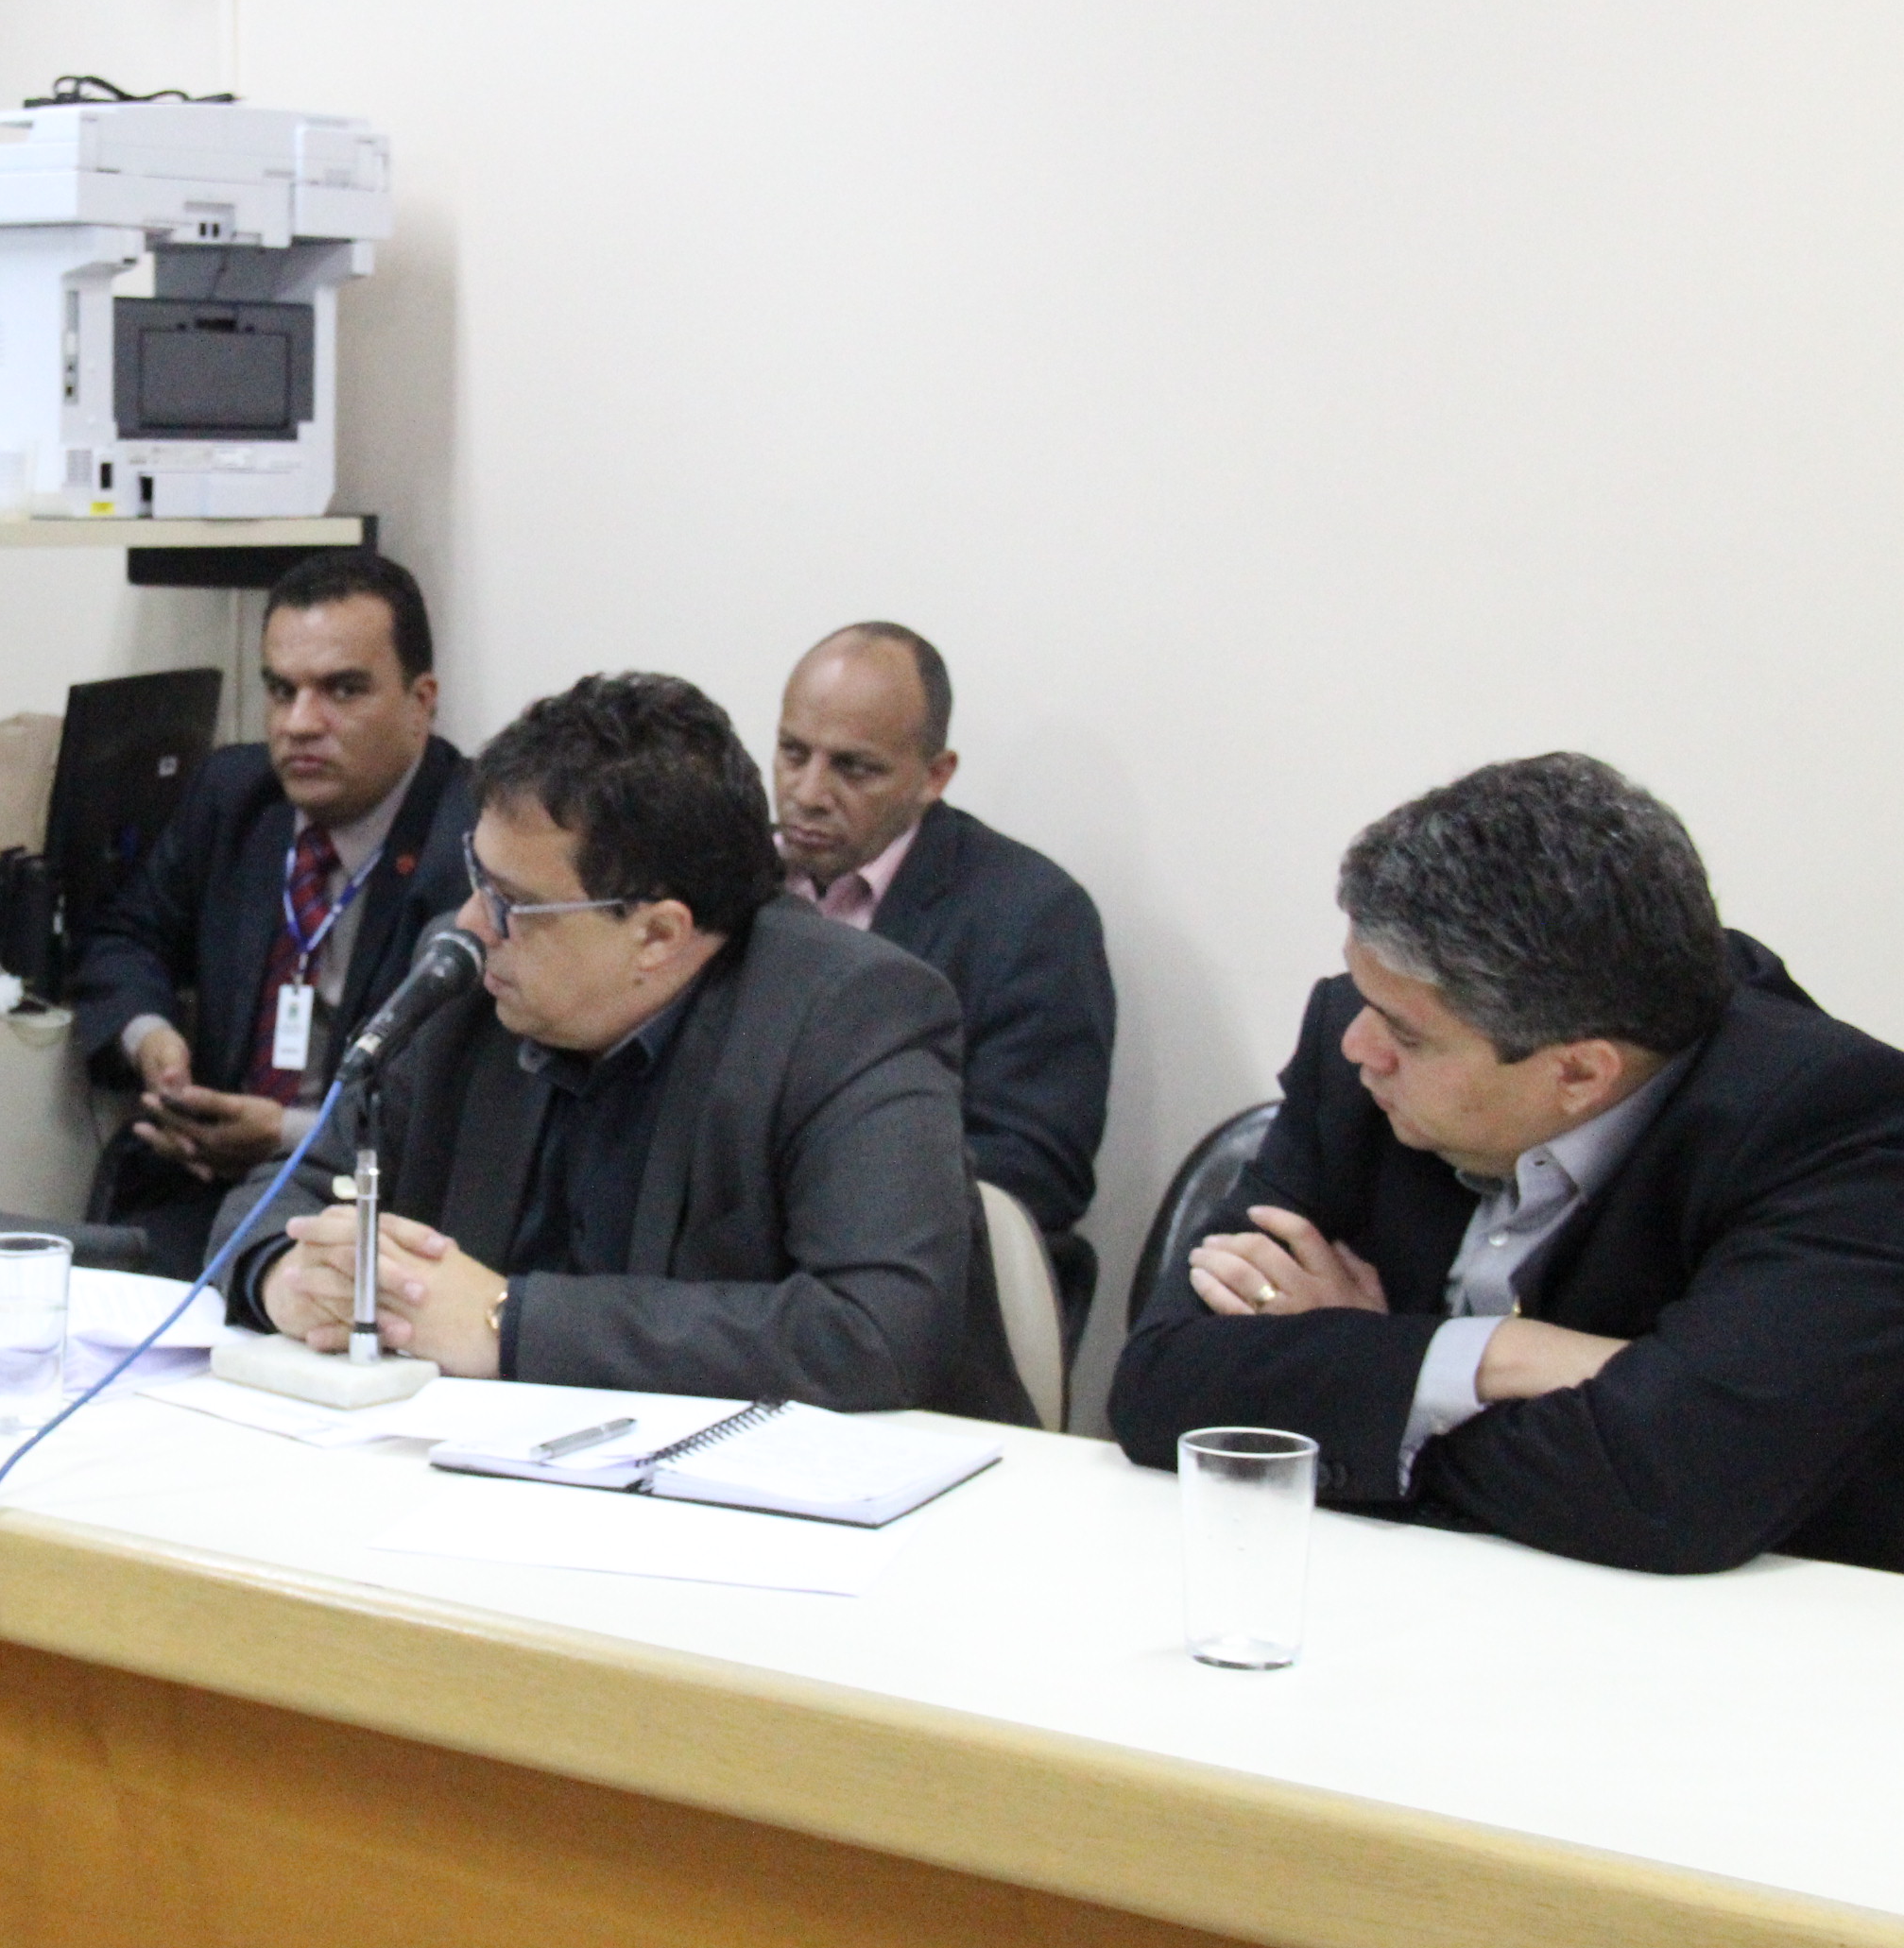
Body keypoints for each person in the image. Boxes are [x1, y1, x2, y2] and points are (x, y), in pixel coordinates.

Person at [1109, 753, 1904, 1575]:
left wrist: (1370, 1379)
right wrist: (1502, 1355)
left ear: (1579, 1073)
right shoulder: (1369, 1047)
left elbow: (1677, 1487)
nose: (1358, 1046)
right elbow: (1162, 1384)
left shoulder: (1842, 1130)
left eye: (1407, 1035)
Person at [214, 672, 1031, 1423]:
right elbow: (279, 1194)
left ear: (658, 935)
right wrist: (284, 1275)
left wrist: (508, 1323)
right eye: (476, 877)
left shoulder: (852, 1015)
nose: (470, 924)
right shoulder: (467, 981)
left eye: (511, 902)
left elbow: (874, 1334)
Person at [71, 551, 474, 1275]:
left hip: (368, 1212)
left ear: (421, 703)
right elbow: (125, 938)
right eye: (281, 690)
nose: (299, 723)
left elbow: (456, 1099)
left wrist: (288, 1134)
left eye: (342, 690)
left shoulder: (469, 842)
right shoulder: (235, 796)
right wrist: (151, 1038)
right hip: (196, 1185)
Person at [772, 622, 1114, 1343]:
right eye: (793, 752)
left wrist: (819, 1198)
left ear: (935, 775)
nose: (808, 792)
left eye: (854, 768)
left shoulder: (1030, 914)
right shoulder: (728, 887)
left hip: (914, 1296)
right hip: (736, 1283)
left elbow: (1034, 1171)